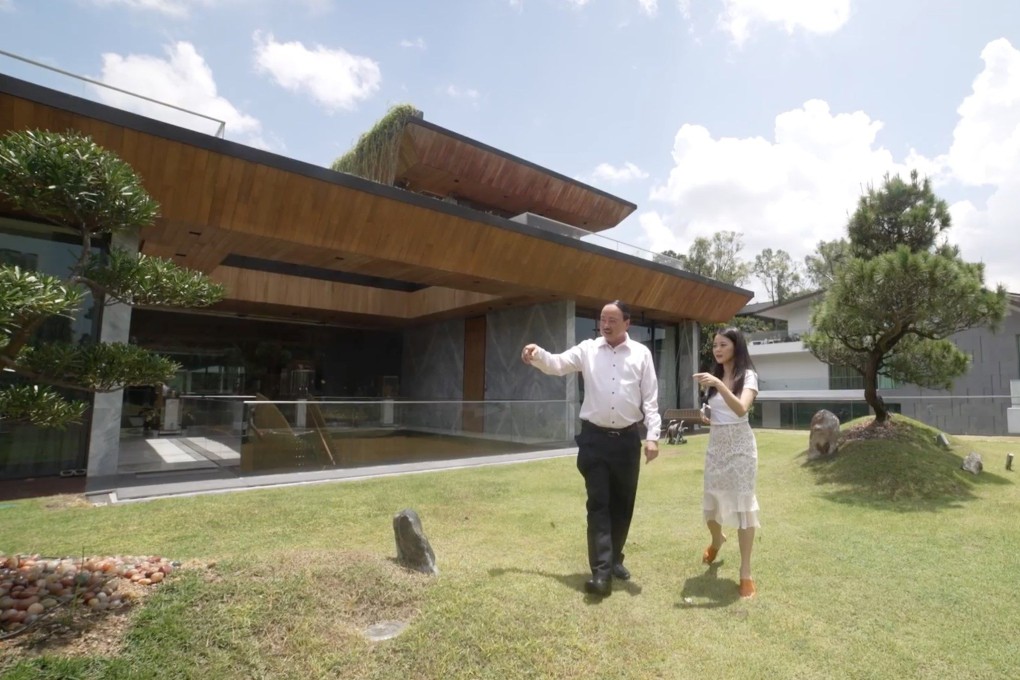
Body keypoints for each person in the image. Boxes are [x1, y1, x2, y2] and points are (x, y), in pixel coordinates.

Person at [522, 301, 660, 597]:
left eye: (612, 319)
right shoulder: (587, 349)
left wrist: (653, 436)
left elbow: (649, 399)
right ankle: (601, 574)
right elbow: (558, 364)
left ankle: (614, 559)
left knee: (623, 507)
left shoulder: (641, 354)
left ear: (627, 323)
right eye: (602, 319)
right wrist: (537, 354)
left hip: (626, 441)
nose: (605, 324)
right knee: (598, 505)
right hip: (594, 440)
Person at [693, 326, 761, 599]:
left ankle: (745, 572)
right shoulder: (716, 377)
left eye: (723, 345)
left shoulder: (748, 376)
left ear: (736, 346)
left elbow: (741, 408)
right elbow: (719, 409)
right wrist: (706, 413)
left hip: (741, 448)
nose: (717, 350)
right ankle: (717, 540)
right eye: (715, 346)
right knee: (712, 504)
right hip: (717, 446)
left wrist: (719, 385)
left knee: (744, 506)